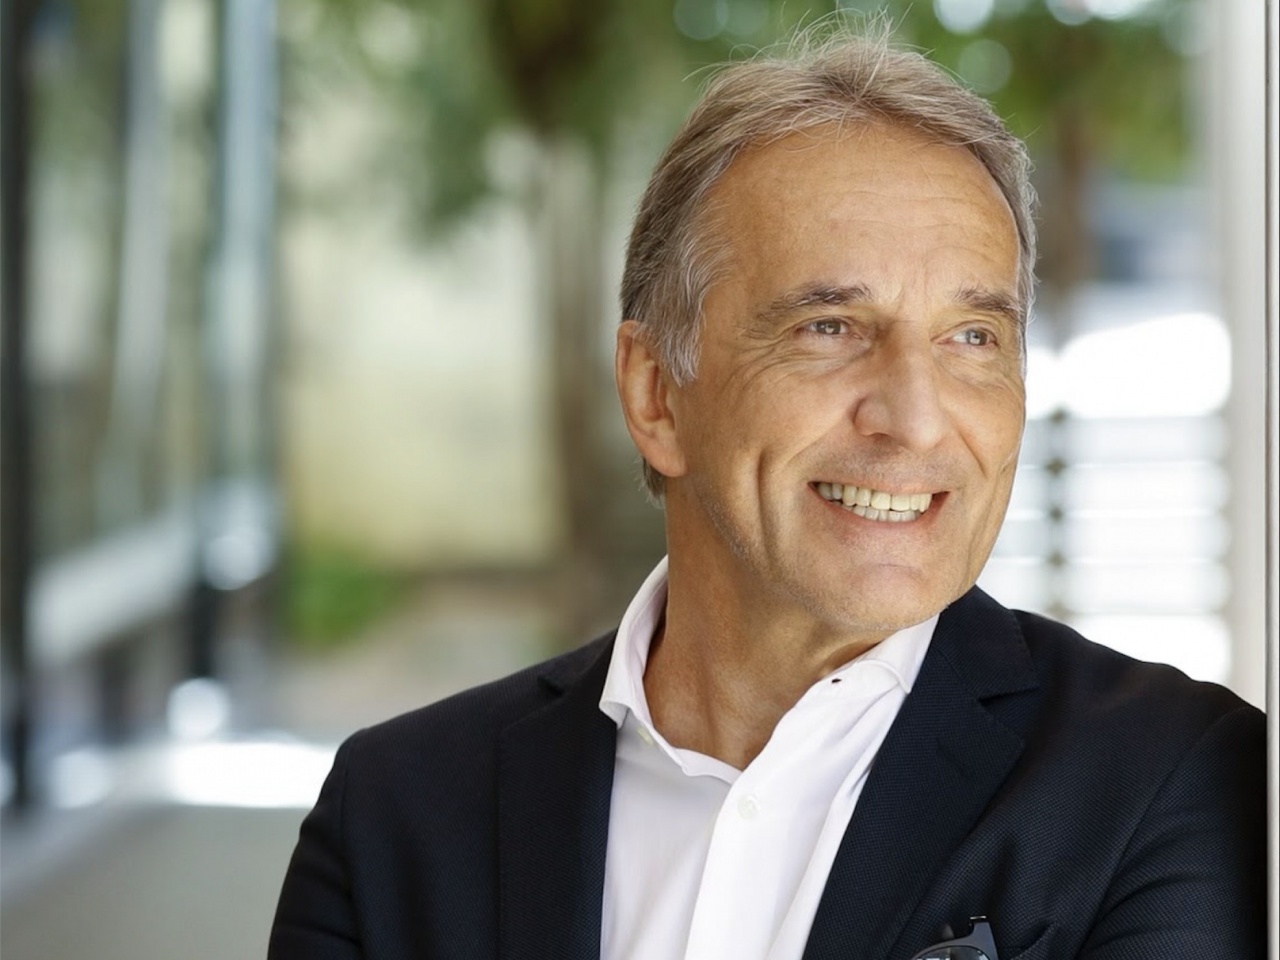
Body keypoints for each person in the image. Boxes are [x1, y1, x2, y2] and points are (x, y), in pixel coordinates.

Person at [268, 25, 1265, 960]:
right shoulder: (394, 815)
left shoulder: (1176, 783)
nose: (916, 419)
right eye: (827, 328)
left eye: (972, 338)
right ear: (655, 395)